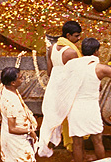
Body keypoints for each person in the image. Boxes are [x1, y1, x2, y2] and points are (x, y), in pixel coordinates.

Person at [66, 38, 111, 162]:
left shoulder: (71, 65)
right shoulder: (100, 68)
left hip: (74, 107)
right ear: (96, 51)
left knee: (77, 143)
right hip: (90, 108)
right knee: (97, 140)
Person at [37, 20, 82, 157]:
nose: (78, 39)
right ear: (68, 36)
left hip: (54, 87)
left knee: (53, 117)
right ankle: (75, 151)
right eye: (76, 36)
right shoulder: (71, 53)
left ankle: (46, 145)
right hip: (67, 89)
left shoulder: (52, 48)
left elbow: (49, 71)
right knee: (70, 117)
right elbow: (78, 74)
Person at [0, 67, 37, 162]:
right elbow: (12, 128)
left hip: (11, 137)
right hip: (16, 140)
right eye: (20, 78)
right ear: (13, 83)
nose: (22, 79)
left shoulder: (5, 89)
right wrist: (29, 131)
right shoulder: (11, 102)